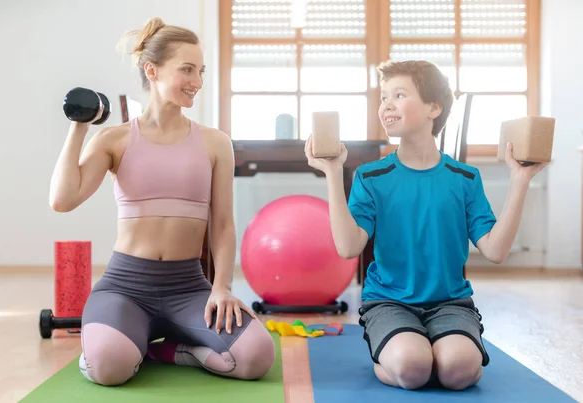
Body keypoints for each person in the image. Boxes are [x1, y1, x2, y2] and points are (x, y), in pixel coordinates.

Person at [49, 17, 275, 386]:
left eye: (200, 71)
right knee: (109, 369)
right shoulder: (114, 139)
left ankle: (167, 350)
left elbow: (221, 224)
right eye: (187, 70)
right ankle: (120, 345)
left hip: (189, 287)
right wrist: (80, 126)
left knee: (255, 358)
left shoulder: (215, 142)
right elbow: (62, 200)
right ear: (152, 70)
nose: (198, 82)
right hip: (125, 287)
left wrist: (222, 288)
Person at [304, 60, 548, 391]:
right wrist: (333, 173)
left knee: (458, 371)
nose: (386, 105)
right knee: (412, 367)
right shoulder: (371, 176)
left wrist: (520, 180)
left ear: (434, 107)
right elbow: (348, 248)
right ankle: (398, 352)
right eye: (383, 97)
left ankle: (438, 351)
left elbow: (495, 250)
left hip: (450, 303)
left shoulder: (464, 178)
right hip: (389, 302)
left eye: (399, 95)